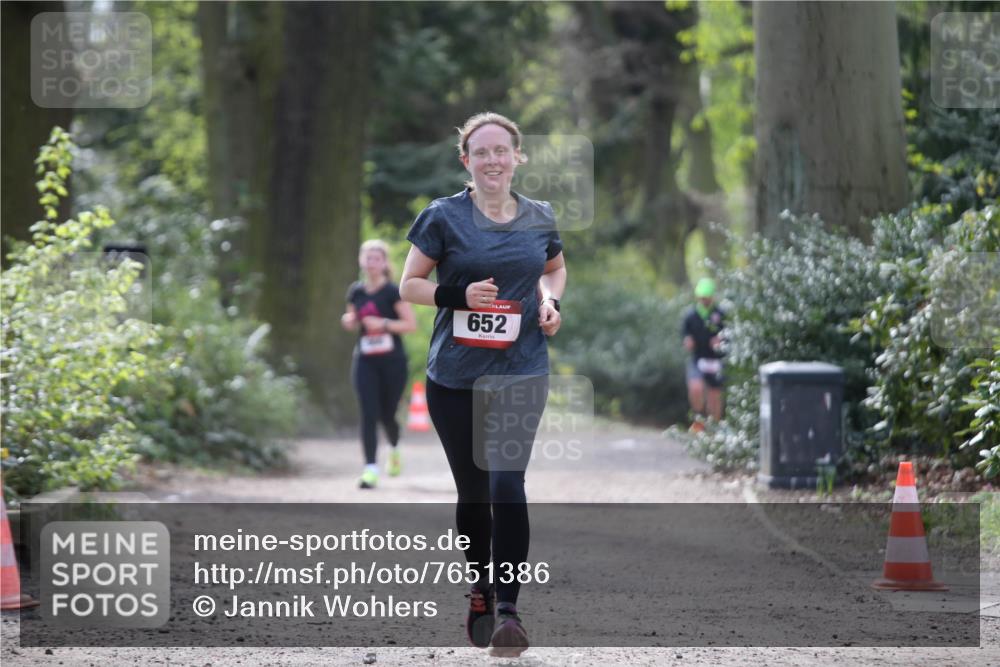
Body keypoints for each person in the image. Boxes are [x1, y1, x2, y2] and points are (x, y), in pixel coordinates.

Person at [399, 112, 566, 657]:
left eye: (501, 150)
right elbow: (409, 285)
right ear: (466, 160)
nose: (492, 160)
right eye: (481, 152)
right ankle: (481, 587)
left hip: (521, 370)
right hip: (455, 377)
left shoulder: (539, 216)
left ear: (517, 157)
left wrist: (549, 302)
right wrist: (460, 297)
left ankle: (509, 613)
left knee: (506, 486)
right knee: (473, 494)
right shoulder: (443, 216)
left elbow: (553, 269)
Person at [341, 239, 416, 489]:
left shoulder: (393, 292)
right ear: (360, 261)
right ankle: (370, 469)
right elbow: (353, 319)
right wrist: (349, 321)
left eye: (376, 258)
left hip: (393, 362)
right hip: (365, 360)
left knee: (387, 414)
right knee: (368, 412)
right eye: (367, 258)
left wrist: (383, 324)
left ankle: (394, 448)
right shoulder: (356, 292)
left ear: (384, 263)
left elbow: (410, 325)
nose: (371, 262)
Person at [682, 277, 725, 429]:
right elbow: (685, 335)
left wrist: (721, 340)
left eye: (707, 297)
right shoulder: (690, 316)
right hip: (698, 358)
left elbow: (729, 335)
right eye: (702, 297)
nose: (704, 300)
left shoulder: (721, 314)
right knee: (696, 388)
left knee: (715, 395)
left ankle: (715, 426)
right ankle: (698, 420)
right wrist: (688, 341)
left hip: (715, 360)